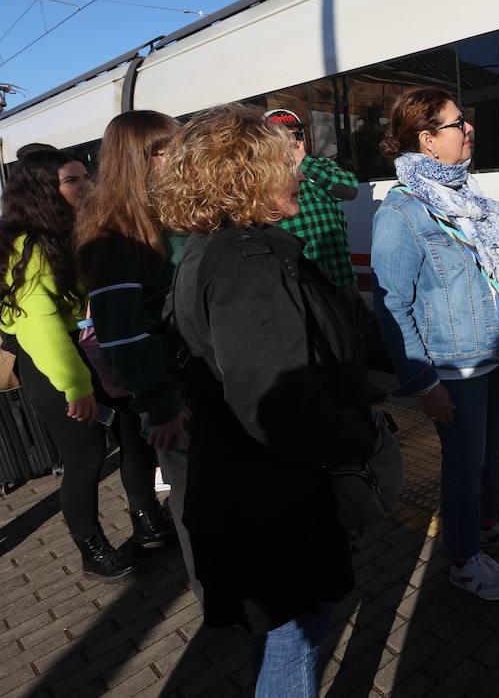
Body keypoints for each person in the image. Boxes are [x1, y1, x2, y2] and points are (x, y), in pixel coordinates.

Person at [154, 104, 377, 695]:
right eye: (285, 163)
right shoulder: (249, 265)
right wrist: (360, 435)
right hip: (271, 502)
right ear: (246, 177)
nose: (298, 173)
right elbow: (278, 405)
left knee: (276, 638)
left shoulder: (211, 250)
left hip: (241, 489)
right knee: (293, 643)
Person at [370, 87, 499, 602]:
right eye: (456, 124)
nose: (469, 129)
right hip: (454, 365)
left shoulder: (466, 200)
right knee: (463, 464)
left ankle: (488, 524)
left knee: (489, 453)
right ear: (427, 142)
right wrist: (423, 382)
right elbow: (391, 305)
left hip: (494, 352)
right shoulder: (401, 213)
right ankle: (464, 559)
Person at [0, 150, 167, 578]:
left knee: (134, 434)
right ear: (42, 192)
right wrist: (76, 387)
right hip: (61, 368)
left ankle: (147, 519)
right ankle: (92, 550)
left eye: (83, 176)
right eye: (72, 181)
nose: (85, 186)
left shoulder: (70, 232)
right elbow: (40, 328)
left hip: (94, 352)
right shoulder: (28, 248)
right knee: (86, 459)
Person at [74, 110, 195, 586]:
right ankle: (221, 595)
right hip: (177, 396)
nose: (179, 158)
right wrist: (161, 406)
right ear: (135, 161)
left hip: (199, 381)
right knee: (196, 501)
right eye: (165, 151)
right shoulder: (115, 235)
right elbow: (122, 334)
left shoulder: (168, 217)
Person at [263, 109, 360, 292]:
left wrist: (305, 163)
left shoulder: (320, 164)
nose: (292, 142)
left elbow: (350, 190)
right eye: (282, 137)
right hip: (300, 284)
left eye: (296, 135)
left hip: (340, 276)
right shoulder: (262, 179)